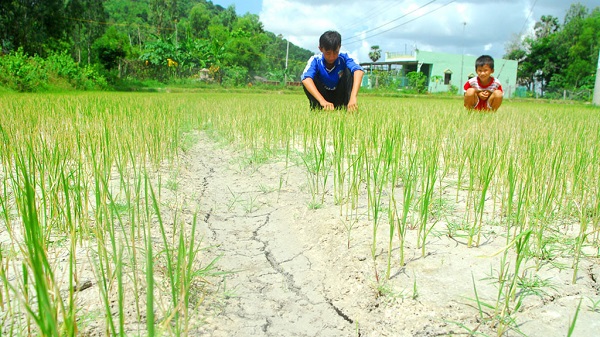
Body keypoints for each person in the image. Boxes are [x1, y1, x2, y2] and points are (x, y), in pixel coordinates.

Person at [301, 31, 365, 111]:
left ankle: (347, 106)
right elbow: (306, 79)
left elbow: (359, 71)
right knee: (308, 79)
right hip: (323, 97)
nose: (332, 57)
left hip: (340, 95)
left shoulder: (345, 56)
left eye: (335, 52)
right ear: (320, 49)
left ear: (339, 47)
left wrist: (353, 97)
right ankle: (317, 108)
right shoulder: (315, 60)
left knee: (350, 71)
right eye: (328, 53)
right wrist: (322, 101)